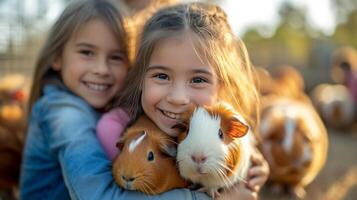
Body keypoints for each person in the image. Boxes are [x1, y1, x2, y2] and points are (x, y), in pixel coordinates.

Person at [20, 0, 209, 199]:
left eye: (116, 57)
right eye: (87, 52)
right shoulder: (63, 113)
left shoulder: (110, 107)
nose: (102, 69)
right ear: (57, 57)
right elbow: (100, 196)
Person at [97, 2, 269, 199]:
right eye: (162, 76)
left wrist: (252, 167)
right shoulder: (116, 130)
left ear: (221, 86)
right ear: (140, 77)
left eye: (198, 80)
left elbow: (246, 163)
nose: (178, 98)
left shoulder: (221, 128)